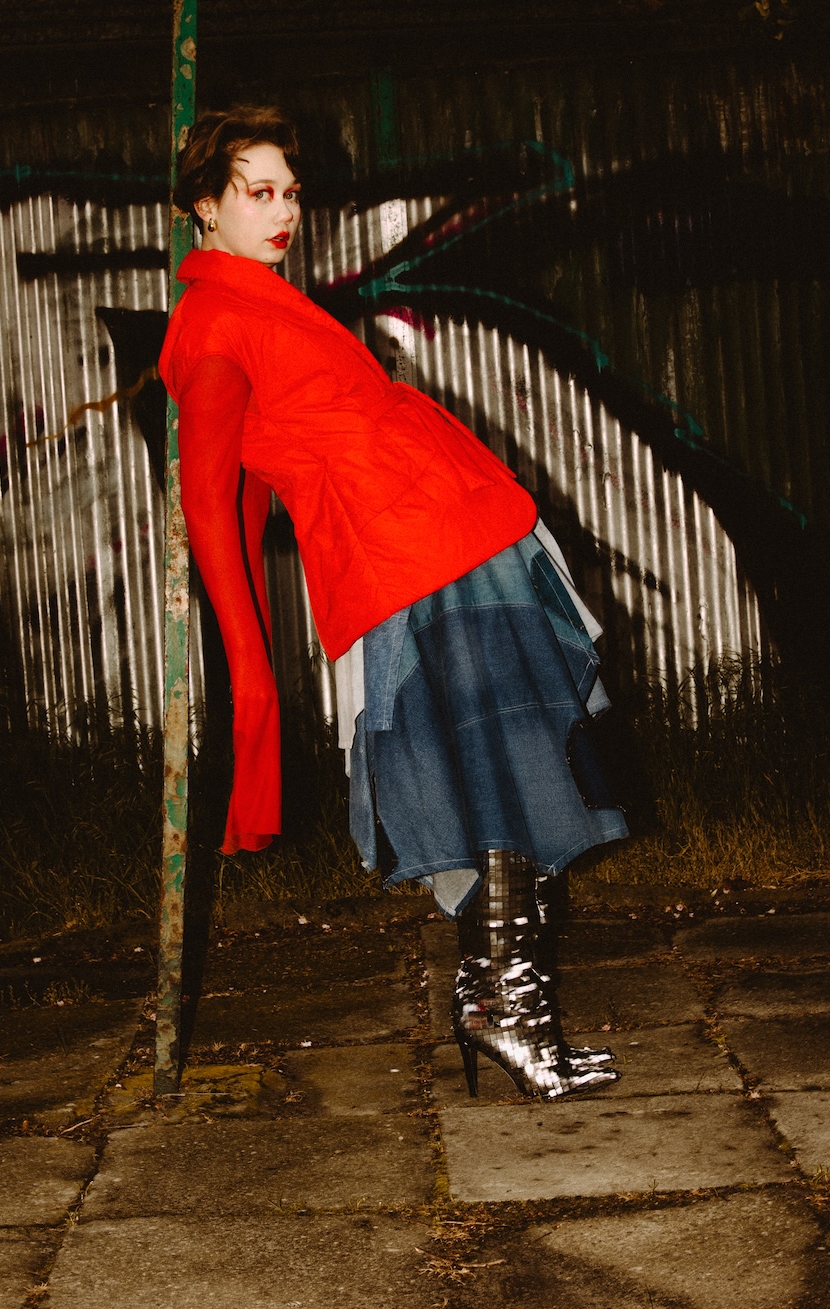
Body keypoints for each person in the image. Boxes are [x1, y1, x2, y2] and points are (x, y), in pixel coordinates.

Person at [158, 105, 629, 1101]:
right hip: (405, 561)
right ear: (205, 205)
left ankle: (503, 1001)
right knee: (499, 770)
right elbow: (212, 502)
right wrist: (249, 671)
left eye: (291, 193)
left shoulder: (265, 303)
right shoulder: (213, 321)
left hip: (449, 536)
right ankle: (505, 1008)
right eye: (258, 192)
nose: (284, 212)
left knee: (516, 763)